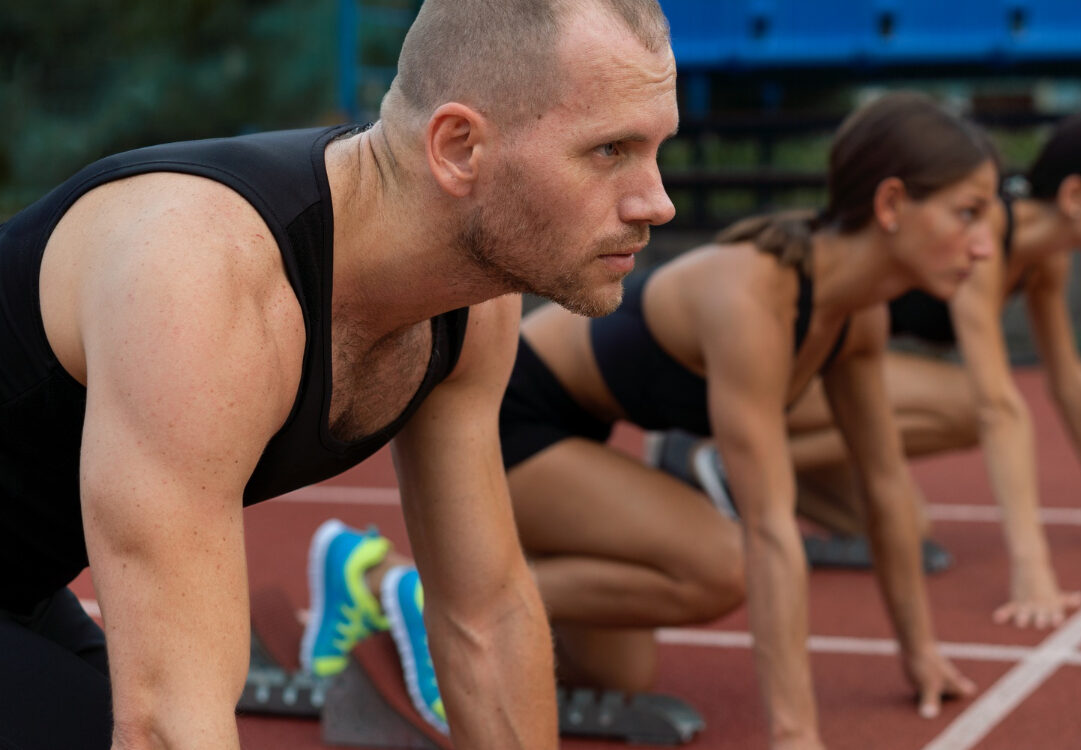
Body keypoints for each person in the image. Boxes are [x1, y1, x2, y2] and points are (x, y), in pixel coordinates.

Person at [0, 1, 676, 748]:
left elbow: (483, 617)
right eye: (609, 150)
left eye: (657, 149)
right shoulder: (201, 277)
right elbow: (165, 723)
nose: (658, 202)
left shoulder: (475, 304)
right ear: (458, 147)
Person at [314, 91, 1000, 748]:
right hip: (510, 412)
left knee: (616, 673)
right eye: (967, 214)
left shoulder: (855, 318)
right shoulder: (756, 296)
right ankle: (414, 591)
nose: (984, 247)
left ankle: (392, 584)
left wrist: (921, 653)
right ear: (891, 204)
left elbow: (883, 486)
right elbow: (768, 528)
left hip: (581, 433)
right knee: (721, 563)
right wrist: (796, 735)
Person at [758, 109, 1081, 629]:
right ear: (1075, 196)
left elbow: (1069, 378)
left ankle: (732, 466)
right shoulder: (983, 233)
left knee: (911, 529)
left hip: (837, 373)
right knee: (970, 404)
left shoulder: (1045, 257)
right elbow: (996, 403)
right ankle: (734, 453)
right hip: (787, 368)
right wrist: (1033, 569)